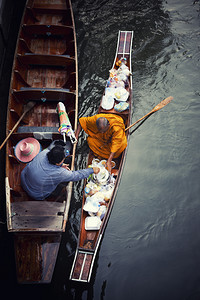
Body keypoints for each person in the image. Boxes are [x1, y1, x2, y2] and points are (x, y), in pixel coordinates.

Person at [21, 144, 100, 201]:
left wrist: (61, 165)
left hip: (24, 177)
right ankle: (58, 197)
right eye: (62, 159)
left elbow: (51, 165)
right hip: (36, 194)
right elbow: (75, 175)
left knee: (67, 164)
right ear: (57, 163)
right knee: (65, 182)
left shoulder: (43, 153)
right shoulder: (60, 173)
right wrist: (92, 170)